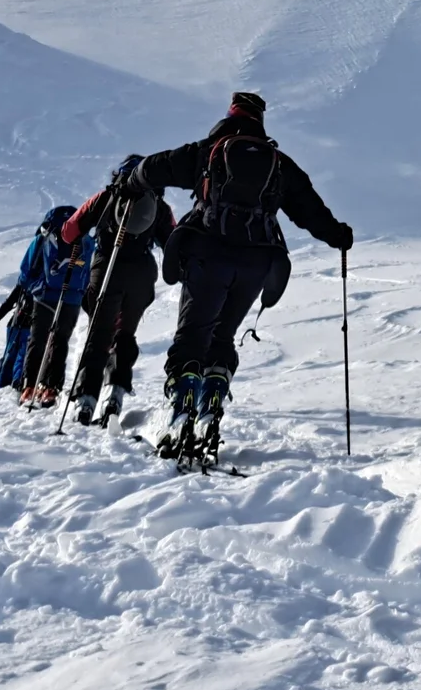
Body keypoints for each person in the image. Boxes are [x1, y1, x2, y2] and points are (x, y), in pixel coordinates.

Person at [127, 92, 352, 458]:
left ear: (230, 115)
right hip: (257, 262)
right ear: (260, 121)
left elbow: (156, 167)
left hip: (208, 254)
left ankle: (180, 416)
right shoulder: (279, 163)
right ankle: (210, 410)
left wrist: (132, 180)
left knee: (191, 338)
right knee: (222, 336)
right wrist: (339, 235)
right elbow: (310, 211)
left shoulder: (207, 151)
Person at [61, 157, 176, 426]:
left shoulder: (105, 197)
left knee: (99, 334)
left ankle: (86, 399)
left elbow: (69, 232)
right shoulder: (158, 205)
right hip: (141, 274)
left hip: (106, 269)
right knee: (125, 334)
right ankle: (115, 392)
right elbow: (171, 240)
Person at [9, 207, 94, 407]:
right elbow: (90, 271)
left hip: (45, 296)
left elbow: (26, 270)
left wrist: (33, 288)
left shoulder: (44, 237)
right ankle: (51, 388)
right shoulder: (86, 241)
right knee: (60, 341)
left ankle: (29, 386)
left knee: (37, 340)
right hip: (72, 299)